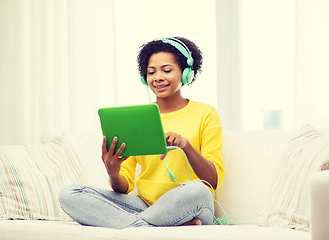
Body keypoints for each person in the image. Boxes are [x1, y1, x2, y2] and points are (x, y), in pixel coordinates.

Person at [59, 37, 225, 229]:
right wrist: (112, 172)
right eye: (151, 72)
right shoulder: (139, 118)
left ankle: (137, 225)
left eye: (167, 70)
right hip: (144, 206)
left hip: (192, 204)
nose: (158, 77)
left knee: (197, 189)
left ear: (186, 73)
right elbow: (123, 186)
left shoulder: (206, 113)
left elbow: (212, 181)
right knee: (70, 194)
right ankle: (150, 227)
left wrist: (185, 146)